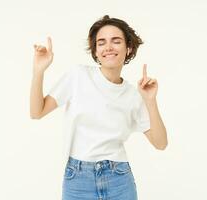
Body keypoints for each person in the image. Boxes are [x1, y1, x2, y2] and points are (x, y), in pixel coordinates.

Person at [30, 15, 168, 200]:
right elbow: (36, 112)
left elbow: (161, 143)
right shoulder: (78, 76)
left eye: (116, 41)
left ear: (128, 48)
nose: (108, 47)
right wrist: (39, 70)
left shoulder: (134, 95)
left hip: (119, 178)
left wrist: (150, 100)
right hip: (78, 179)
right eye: (101, 42)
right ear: (95, 51)